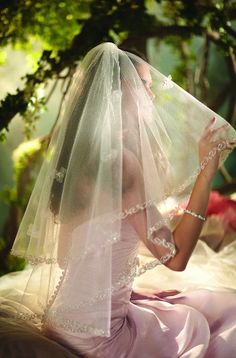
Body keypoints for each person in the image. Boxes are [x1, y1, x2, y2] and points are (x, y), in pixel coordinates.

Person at [9, 42, 236, 357]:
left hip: (61, 320)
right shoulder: (123, 163)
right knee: (206, 321)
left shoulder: (84, 159)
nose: (152, 95)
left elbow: (68, 257)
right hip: (98, 339)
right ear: (119, 92)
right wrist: (206, 171)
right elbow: (178, 258)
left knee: (178, 308)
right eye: (145, 85)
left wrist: (118, 292)